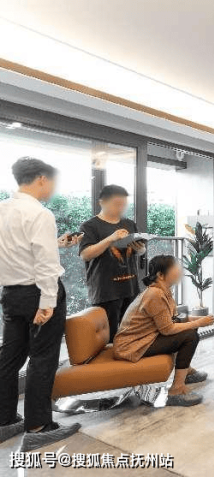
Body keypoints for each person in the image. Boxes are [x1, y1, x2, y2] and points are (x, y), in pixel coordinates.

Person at [0, 157, 82, 451]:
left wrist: (56, 243)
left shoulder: (3, 209)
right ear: (41, 179)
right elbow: (46, 266)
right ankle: (38, 427)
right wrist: (47, 302)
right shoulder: (40, 213)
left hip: (11, 295)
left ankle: (4, 420)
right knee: (42, 358)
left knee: (9, 358)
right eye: (53, 182)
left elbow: (16, 250)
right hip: (38, 294)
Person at [113, 255, 214, 407]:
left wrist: (197, 320)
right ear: (160, 275)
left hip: (146, 337)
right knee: (190, 336)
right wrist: (198, 322)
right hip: (130, 345)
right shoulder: (155, 294)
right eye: (175, 268)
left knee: (191, 327)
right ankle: (176, 390)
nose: (179, 271)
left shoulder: (164, 291)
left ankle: (186, 371)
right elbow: (168, 329)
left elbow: (174, 319)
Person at [79, 185, 145, 342]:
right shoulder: (89, 226)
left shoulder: (129, 224)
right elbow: (85, 254)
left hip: (130, 288)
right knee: (109, 339)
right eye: (117, 203)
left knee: (131, 335)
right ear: (102, 202)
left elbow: (140, 251)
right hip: (106, 291)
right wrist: (111, 239)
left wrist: (140, 249)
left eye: (123, 204)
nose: (121, 207)